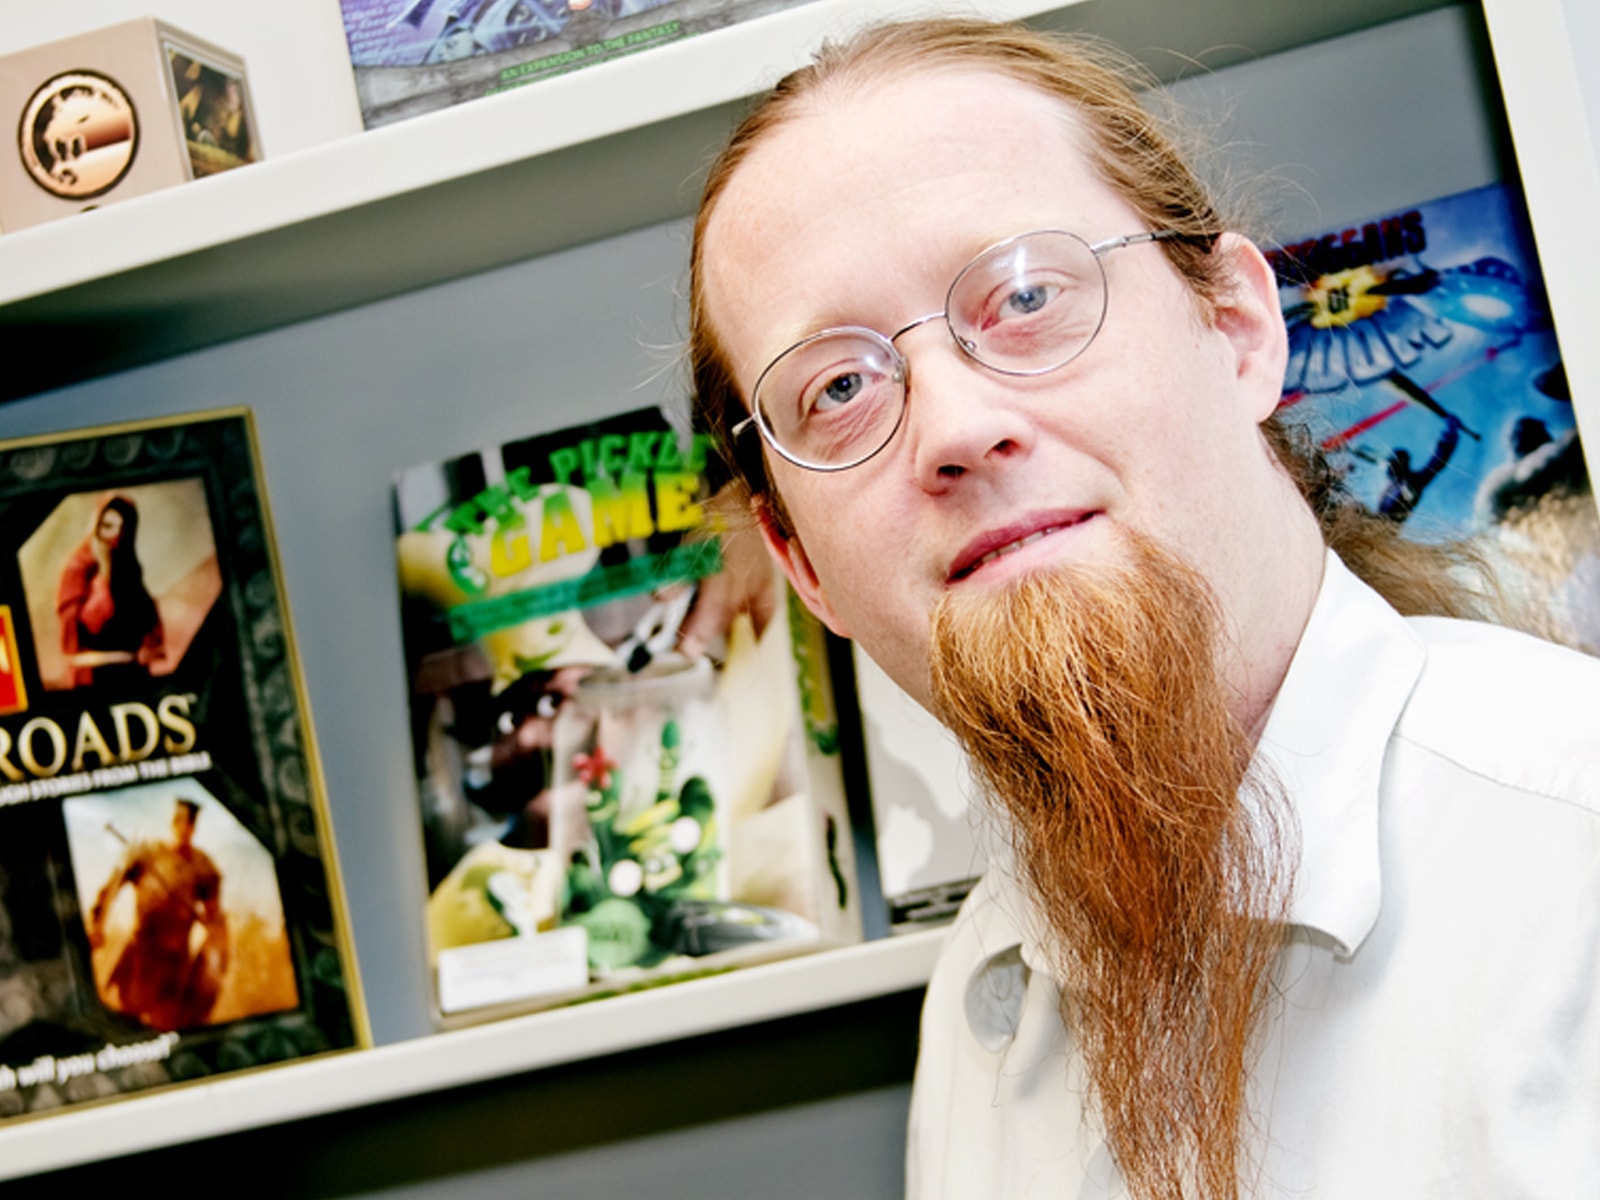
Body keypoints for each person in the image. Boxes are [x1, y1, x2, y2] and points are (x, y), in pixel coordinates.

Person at [686, 18, 1600, 1200]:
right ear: (799, 562)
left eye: (1025, 295)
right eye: (840, 387)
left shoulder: (1573, 844)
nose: (957, 428)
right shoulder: (978, 1007)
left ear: (1234, 329)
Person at [89, 799, 229, 1031]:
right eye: (178, 822)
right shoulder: (146, 855)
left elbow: (215, 916)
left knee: (166, 1028)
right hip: (141, 955)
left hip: (176, 962)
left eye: (188, 824)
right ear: (172, 824)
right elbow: (110, 890)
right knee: (122, 1021)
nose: (182, 829)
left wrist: (214, 940)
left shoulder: (202, 866)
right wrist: (97, 926)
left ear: (193, 828)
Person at [55, 494, 164, 689]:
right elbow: (83, 627)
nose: (115, 535)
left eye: (122, 528)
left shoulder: (128, 567)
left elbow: (145, 619)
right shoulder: (78, 567)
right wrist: (103, 579)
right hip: (94, 677)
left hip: (132, 673)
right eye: (107, 526)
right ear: (96, 524)